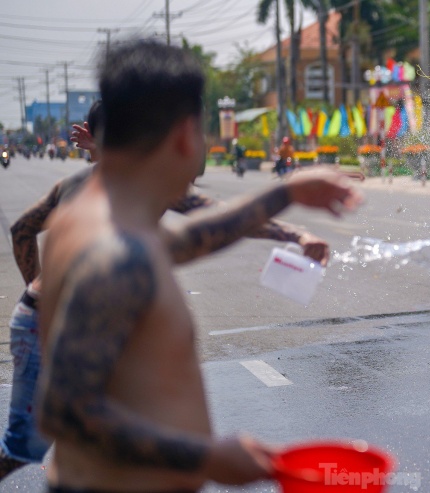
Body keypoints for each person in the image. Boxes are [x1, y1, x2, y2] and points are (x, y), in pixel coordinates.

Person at [33, 39, 362, 492]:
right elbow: (63, 408)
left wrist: (289, 192)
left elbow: (186, 238)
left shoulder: (95, 218)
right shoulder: (116, 252)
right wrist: (206, 456)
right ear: (186, 134)